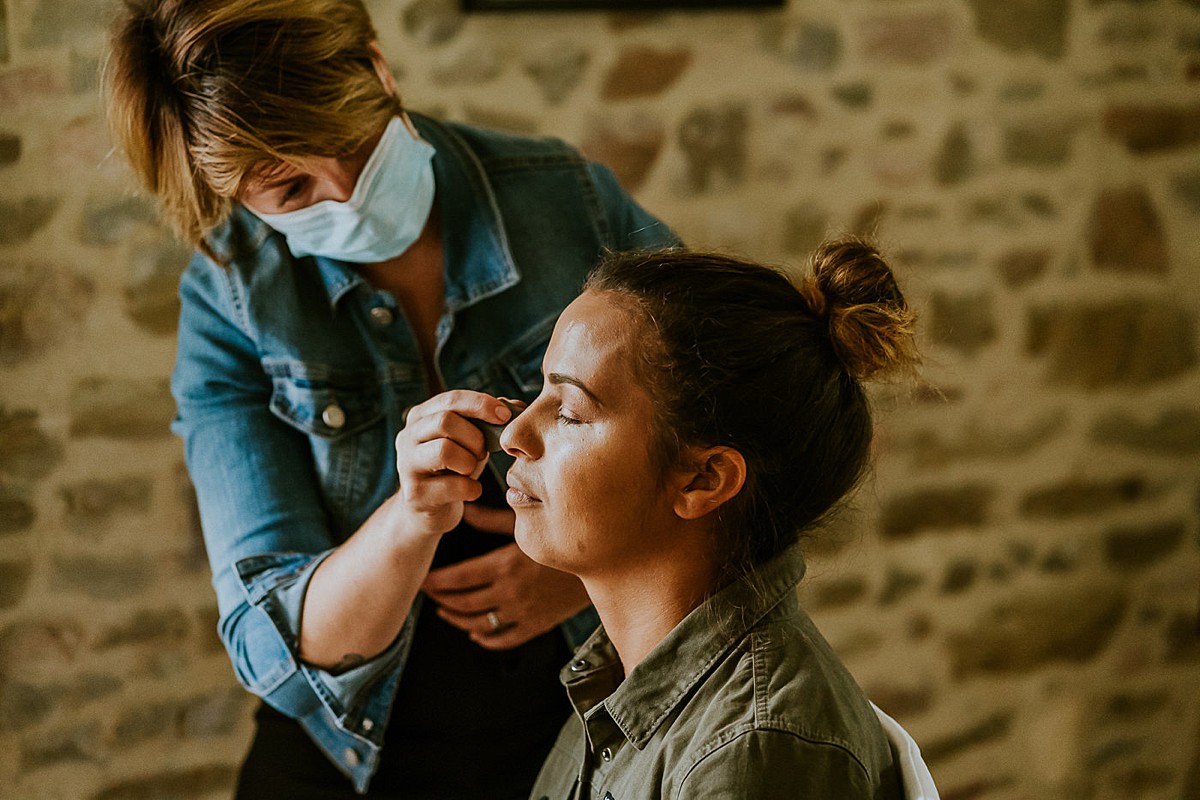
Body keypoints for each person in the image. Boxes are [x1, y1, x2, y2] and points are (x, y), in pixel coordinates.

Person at [104, 0, 677, 797]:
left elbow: (734, 432)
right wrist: (409, 518)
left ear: (377, 66)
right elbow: (277, 648)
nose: (345, 192)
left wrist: (587, 572)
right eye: (290, 187)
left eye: (351, 141)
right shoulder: (230, 303)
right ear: (227, 193)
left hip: (583, 720)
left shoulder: (566, 202)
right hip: (352, 750)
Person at [499, 240, 921, 799]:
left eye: (571, 414)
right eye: (539, 392)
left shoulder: (754, 753)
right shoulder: (611, 680)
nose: (514, 436)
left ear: (704, 479)